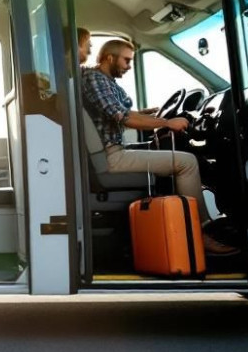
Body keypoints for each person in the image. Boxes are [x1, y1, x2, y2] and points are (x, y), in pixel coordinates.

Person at [82, 38, 236, 255]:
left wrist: (151, 114)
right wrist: (166, 122)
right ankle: (201, 233)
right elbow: (122, 117)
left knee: (172, 155)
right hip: (111, 157)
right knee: (187, 162)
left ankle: (187, 227)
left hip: (112, 151)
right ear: (110, 57)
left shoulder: (104, 80)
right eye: (126, 60)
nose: (128, 66)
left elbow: (119, 112)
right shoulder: (95, 79)